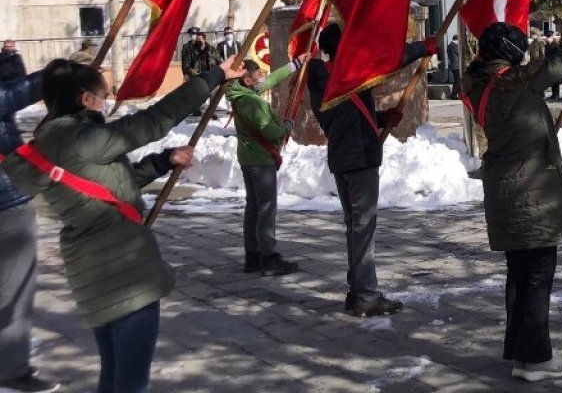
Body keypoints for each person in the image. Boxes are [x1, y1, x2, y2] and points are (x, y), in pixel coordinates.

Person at [2, 57, 240, 393]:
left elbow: (103, 189)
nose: (106, 102)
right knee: (130, 382)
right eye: (104, 96)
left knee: (114, 374)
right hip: (125, 271)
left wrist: (162, 161)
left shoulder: (46, 145)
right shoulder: (85, 139)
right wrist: (214, 77)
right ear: (86, 99)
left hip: (90, 272)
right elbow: (155, 120)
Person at [462, 21, 562, 383]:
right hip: (530, 193)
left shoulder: (480, 84)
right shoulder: (513, 83)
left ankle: (522, 356)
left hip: (507, 191)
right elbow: (556, 65)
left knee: (521, 277)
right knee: (537, 277)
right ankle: (536, 359)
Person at [306, 24, 435, 316]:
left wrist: (379, 118)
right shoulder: (347, 74)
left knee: (355, 227)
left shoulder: (323, 80)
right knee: (363, 229)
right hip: (359, 159)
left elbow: (343, 117)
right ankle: (366, 295)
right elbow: (389, 60)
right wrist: (422, 48)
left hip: (342, 157)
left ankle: (357, 291)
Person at [0, 69, 55, 393]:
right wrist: (58, 73)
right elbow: (7, 96)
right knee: (13, 290)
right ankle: (10, 369)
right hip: (6, 203)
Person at [228, 56, 308, 277]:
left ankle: (253, 256)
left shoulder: (241, 94)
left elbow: (271, 80)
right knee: (266, 208)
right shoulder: (253, 102)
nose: (263, 77)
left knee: (254, 207)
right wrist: (286, 128)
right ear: (247, 80)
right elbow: (270, 131)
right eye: (258, 74)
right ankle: (269, 257)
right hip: (260, 160)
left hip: (248, 157)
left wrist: (295, 64)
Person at [447, 35, 461, 100]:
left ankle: (458, 93)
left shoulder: (450, 46)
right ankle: (454, 94)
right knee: (458, 80)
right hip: (456, 65)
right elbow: (460, 53)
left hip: (453, 65)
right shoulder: (454, 46)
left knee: (458, 79)